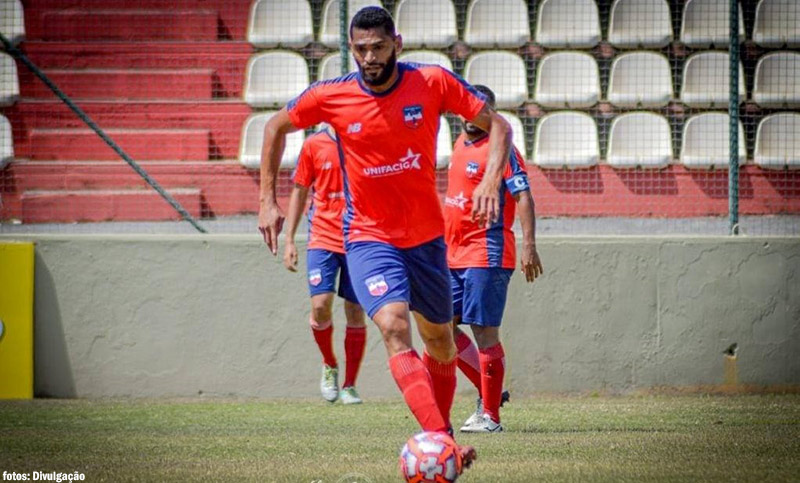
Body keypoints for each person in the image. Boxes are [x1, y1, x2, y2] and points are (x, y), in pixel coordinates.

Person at [258, 6, 513, 470]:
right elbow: (275, 126)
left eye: (378, 47)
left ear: (397, 43)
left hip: (427, 240)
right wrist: (266, 201)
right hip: (368, 237)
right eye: (361, 49)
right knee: (394, 327)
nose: (370, 57)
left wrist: (492, 179)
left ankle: (441, 434)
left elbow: (498, 124)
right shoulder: (332, 95)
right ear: (351, 48)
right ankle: (442, 440)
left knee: (440, 341)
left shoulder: (432, 81)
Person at [443, 85, 543, 433]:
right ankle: (490, 394)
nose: (473, 114)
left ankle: (491, 417)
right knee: (442, 327)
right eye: (469, 107)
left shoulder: (503, 149)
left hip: (487, 251)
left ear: (491, 113)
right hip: (452, 254)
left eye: (482, 108)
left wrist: (529, 245)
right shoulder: (459, 143)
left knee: (484, 331)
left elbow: (523, 196)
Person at [283, 125, 368, 405]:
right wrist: (289, 240)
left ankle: (350, 385)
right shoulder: (314, 144)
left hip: (358, 238)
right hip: (322, 236)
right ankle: (329, 363)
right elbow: (299, 190)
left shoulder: (366, 139)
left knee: (355, 310)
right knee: (320, 307)